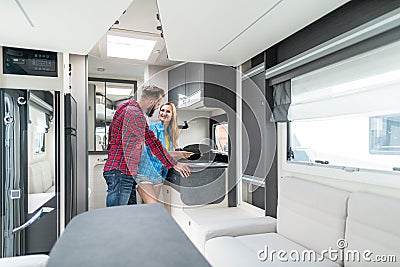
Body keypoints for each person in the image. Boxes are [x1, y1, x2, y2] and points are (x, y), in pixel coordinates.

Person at [103, 85, 190, 207]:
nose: (157, 108)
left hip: (123, 170)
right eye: (157, 105)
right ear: (151, 102)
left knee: (128, 214)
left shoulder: (125, 107)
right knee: (117, 215)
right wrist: (175, 163)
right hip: (121, 171)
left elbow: (112, 134)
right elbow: (153, 143)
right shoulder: (135, 115)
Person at [136, 102, 193, 204]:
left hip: (158, 175)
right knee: (154, 206)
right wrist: (179, 154)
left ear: (172, 115)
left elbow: (166, 155)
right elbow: (155, 152)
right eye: (162, 110)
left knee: (149, 208)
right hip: (145, 174)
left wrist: (181, 155)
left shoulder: (170, 134)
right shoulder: (153, 128)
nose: (164, 113)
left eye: (168, 111)